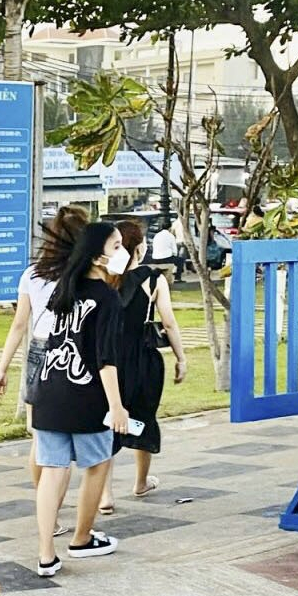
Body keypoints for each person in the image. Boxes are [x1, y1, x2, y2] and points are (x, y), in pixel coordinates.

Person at [30, 220, 130, 578]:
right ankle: (82, 538)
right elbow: (106, 359)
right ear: (97, 254)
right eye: (116, 246)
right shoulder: (106, 298)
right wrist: (117, 407)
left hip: (48, 393)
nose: (122, 252)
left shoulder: (63, 290)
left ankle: (45, 555)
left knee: (53, 472)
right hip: (85, 396)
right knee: (98, 464)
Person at [0, 206, 88, 491]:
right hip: (74, 352)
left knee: (40, 435)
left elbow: (19, 324)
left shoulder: (32, 273)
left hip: (38, 349)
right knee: (68, 436)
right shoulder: (86, 273)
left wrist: (3, 367)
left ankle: (44, 504)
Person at [98, 220, 187, 514]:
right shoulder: (153, 279)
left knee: (108, 421)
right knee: (143, 415)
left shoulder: (104, 278)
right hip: (145, 357)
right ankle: (140, 481)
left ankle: (105, 494)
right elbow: (169, 322)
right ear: (140, 247)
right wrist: (181, 357)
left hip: (108, 361)